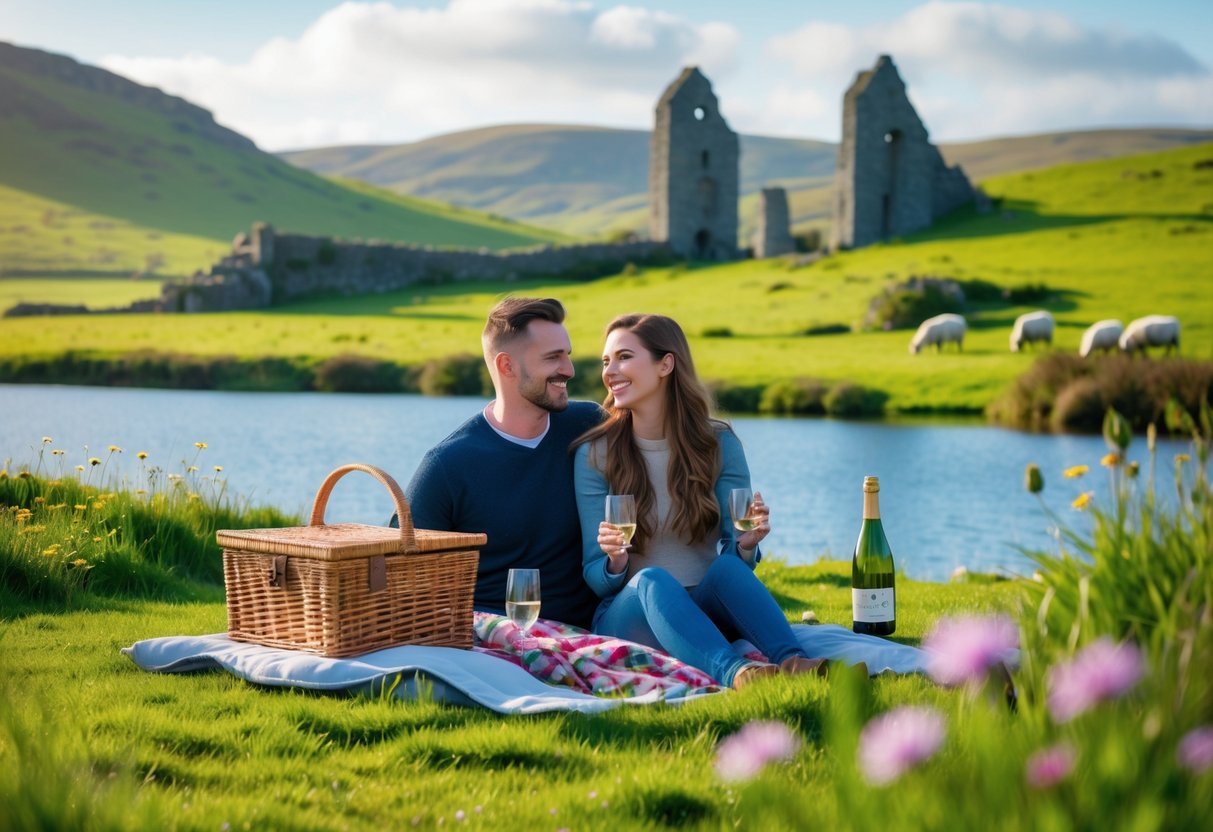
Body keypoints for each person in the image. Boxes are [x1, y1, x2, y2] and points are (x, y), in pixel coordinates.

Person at [572, 313, 828, 689]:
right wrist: (615, 559)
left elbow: (735, 557)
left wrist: (745, 545)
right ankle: (738, 674)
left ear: (666, 364)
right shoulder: (595, 454)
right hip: (631, 613)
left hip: (707, 612)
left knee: (726, 571)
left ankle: (795, 663)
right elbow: (597, 580)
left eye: (624, 357)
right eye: (606, 361)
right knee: (652, 579)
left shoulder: (719, 443)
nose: (610, 371)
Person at [400, 297, 601, 628]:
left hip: (591, 633)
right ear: (507, 366)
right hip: (491, 635)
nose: (569, 370)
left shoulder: (587, 424)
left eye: (568, 355)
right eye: (553, 358)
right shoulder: (449, 465)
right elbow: (402, 566)